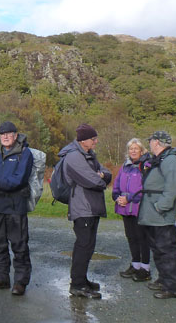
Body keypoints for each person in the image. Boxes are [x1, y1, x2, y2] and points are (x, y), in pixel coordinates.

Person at [59, 124, 112, 299]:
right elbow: (91, 180)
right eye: (93, 139)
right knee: (83, 246)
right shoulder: (74, 157)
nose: (96, 141)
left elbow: (106, 173)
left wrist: (102, 175)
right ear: (83, 140)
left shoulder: (89, 155)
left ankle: (82, 279)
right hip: (82, 207)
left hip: (91, 207)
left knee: (89, 246)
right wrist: (101, 179)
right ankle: (77, 285)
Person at [0, 122, 34, 295]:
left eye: (9, 133)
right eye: (2, 134)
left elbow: (20, 179)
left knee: (19, 245)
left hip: (15, 206)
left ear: (16, 135)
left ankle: (20, 282)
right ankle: (2, 277)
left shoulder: (25, 154)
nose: (5, 137)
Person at [138, 131, 176, 299]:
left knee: (167, 251)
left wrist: (161, 207)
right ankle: (163, 279)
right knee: (158, 250)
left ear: (157, 142)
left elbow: (172, 187)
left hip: (161, 216)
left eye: (150, 141)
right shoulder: (162, 159)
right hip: (153, 215)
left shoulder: (171, 160)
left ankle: (172, 287)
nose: (149, 144)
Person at [112, 138, 151, 282]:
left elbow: (147, 188)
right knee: (131, 237)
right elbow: (117, 183)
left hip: (139, 207)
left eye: (136, 148)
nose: (133, 151)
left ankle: (145, 269)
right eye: (130, 148)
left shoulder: (146, 166)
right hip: (124, 207)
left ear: (142, 150)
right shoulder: (125, 166)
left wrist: (129, 198)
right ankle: (135, 265)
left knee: (143, 238)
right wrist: (117, 197)